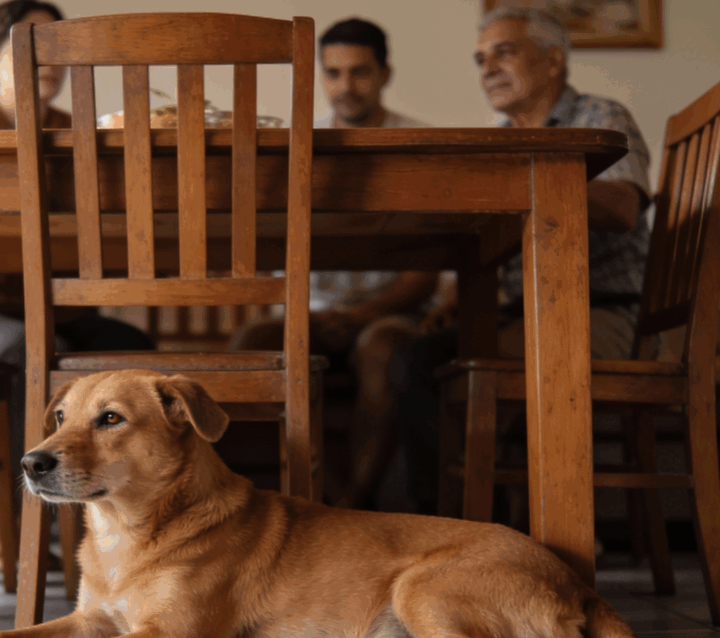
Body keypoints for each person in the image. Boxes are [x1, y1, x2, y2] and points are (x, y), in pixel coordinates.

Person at [392, 7, 653, 516]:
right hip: (525, 315)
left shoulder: (600, 116)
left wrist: (532, 179)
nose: (487, 67)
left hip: (605, 313)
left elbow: (623, 207)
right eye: (480, 58)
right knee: (414, 357)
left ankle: (506, 527)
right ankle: (445, 527)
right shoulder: (496, 139)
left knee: (472, 366)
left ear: (554, 60)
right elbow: (485, 246)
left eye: (504, 51)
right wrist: (453, 297)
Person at [0, 0, 153, 570]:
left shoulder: (74, 135)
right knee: (29, 354)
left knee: (145, 365)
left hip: (56, 315)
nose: (48, 59)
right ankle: (5, 531)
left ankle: (144, 536)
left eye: (58, 48)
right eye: (30, 44)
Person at [230, 18, 437, 510]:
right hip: (308, 310)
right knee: (249, 346)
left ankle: (354, 506)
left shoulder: (422, 144)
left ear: (385, 74)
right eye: (334, 73)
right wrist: (313, 314)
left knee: (383, 350)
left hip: (390, 313)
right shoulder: (294, 144)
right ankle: (317, 499)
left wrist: (360, 316)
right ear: (321, 75)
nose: (346, 86)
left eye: (360, 72)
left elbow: (428, 268)